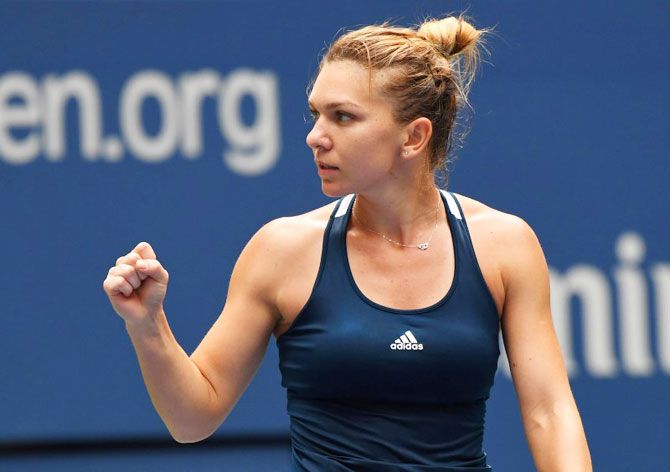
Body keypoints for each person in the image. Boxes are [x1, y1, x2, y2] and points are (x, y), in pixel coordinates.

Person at [103, 14, 592, 471]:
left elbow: (549, 412)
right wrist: (149, 325)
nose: (316, 136)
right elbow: (193, 419)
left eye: (343, 117)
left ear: (414, 137)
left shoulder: (504, 245)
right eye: (315, 113)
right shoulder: (283, 249)